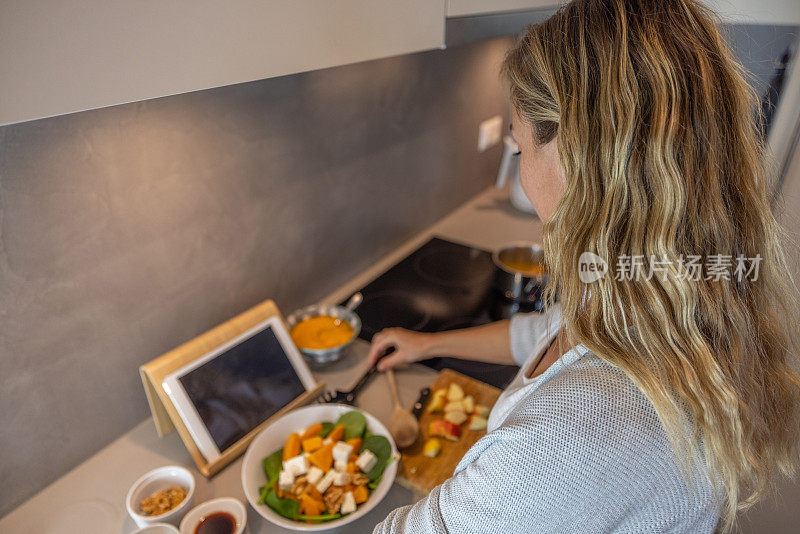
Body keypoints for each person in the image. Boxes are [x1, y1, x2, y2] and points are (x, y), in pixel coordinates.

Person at [370, 0, 800, 532]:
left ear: (573, 156)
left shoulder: (572, 434)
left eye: (520, 146)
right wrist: (429, 345)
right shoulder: (660, 291)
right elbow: (543, 336)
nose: (522, 167)